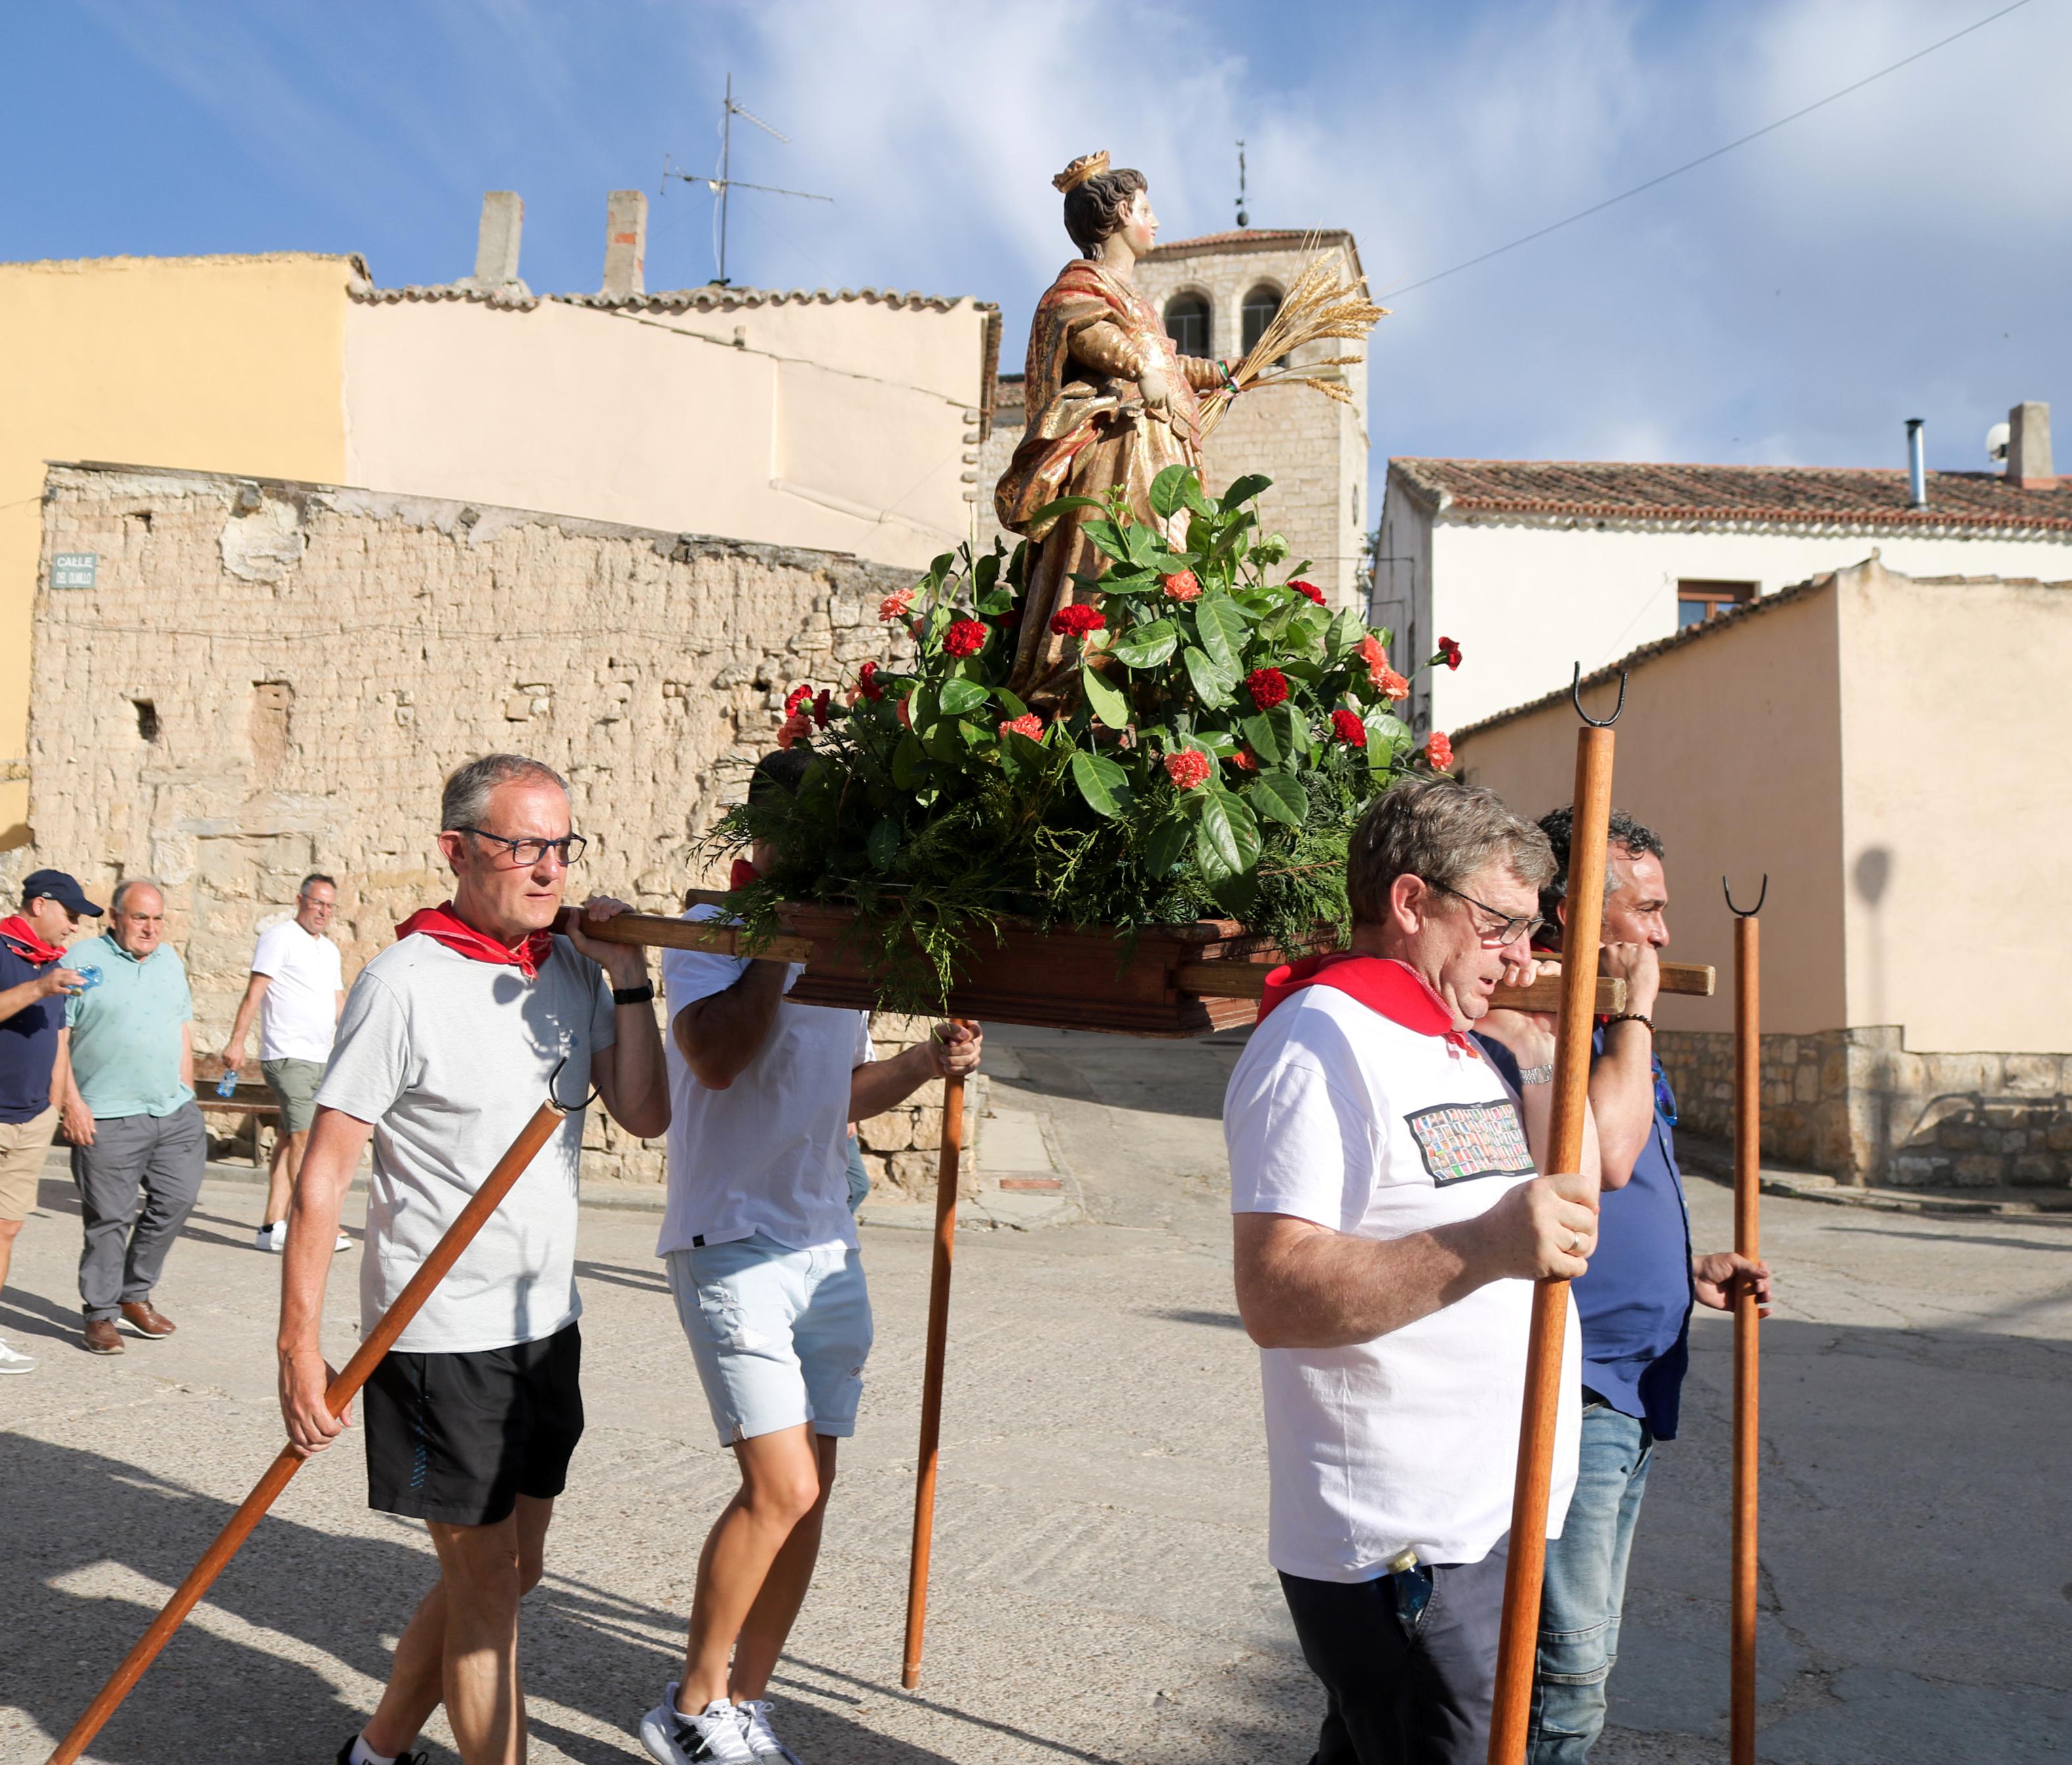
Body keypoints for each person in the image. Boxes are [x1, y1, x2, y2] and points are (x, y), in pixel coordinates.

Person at [278, 754, 668, 1765]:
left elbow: (646, 1109)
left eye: (559, 845)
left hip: (544, 1321)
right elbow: (323, 1175)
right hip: (436, 1334)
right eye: (520, 846)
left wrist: (629, 978)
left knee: (510, 1568)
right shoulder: (401, 983)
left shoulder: (573, 973)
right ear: (456, 851)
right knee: (488, 1587)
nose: (547, 870)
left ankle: (375, 1748)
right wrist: (297, 1346)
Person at [1226, 778, 1596, 1765]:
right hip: (1399, 1540)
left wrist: (1542, 1056)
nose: (1520, 956)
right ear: (1408, 901)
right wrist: (1479, 1245)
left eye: (1528, 928)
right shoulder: (1318, 1042)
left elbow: (1573, 1202)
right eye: (1498, 924)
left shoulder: (1454, 1042)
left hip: (1482, 1515)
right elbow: (1273, 1291)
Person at [637, 751, 983, 1765]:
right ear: (765, 837)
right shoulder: (706, 934)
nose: (832, 854)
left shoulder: (847, 956)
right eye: (811, 836)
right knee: (778, 1485)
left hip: (825, 1239)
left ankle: (744, 1699)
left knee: (811, 1492)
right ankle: (691, 1703)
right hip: (729, 1240)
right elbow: (714, 1053)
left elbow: (828, 1093)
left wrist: (921, 1063)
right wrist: (787, 943)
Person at [1473, 809, 1773, 1765]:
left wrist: (1684, 1270)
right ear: (1575, 914)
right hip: (1574, 1385)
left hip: (1637, 1384)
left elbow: (1628, 1185)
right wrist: (1637, 1007)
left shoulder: (1605, 1030)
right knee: (1563, 1672)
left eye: (1662, 912)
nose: (1662, 936)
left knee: (1573, 1654)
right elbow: (1598, 1156)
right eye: (1643, 911)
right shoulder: (1519, 1022)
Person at [996, 149, 1229, 705]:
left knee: (1164, 552)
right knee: (1110, 551)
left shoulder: (1137, 303)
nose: (1154, 221)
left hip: (1159, 446)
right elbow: (1083, 332)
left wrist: (1220, 373)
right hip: (1119, 445)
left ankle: (1153, 676)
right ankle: (1082, 676)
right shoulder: (1079, 285)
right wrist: (1136, 365)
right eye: (1146, 209)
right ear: (1120, 213)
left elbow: (1168, 364)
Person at [0, 869, 98, 1395]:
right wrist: (37, 986)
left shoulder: (53, 964)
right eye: (70, 914)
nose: (75, 925)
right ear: (39, 904)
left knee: (6, 1229)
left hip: (32, 1118)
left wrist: (56, 1106)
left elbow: (56, 1041)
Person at [56, 879, 209, 1356]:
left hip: (172, 1110)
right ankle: (100, 1314)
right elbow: (56, 1038)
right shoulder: (80, 961)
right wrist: (72, 1104)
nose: (150, 928)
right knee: (109, 1219)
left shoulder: (169, 961)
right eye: (140, 917)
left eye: (158, 918)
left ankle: (134, 1292)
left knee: (177, 1201)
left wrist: (187, 1092)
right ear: (115, 917)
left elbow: (181, 1027)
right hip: (106, 1115)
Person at [219, 872, 351, 1255]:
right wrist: (236, 1041)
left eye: (330, 905)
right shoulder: (279, 938)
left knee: (286, 1139)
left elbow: (338, 1002)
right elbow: (254, 993)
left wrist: (352, 1046)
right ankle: (313, 1225)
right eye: (317, 903)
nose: (323, 911)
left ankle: (270, 1227)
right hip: (287, 1056)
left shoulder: (329, 950)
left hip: (320, 1057)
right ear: (300, 900)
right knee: (304, 1140)